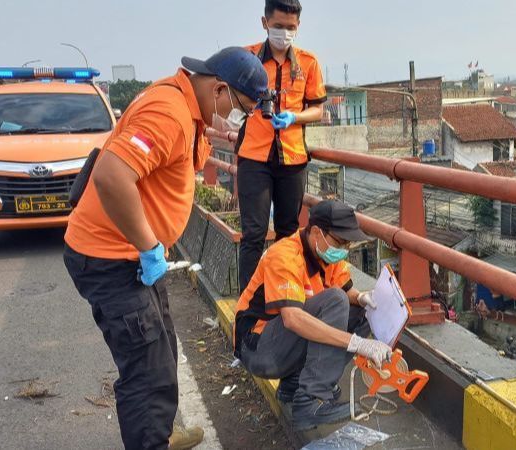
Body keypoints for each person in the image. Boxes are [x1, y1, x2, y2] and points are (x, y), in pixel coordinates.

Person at [64, 47, 268, 450]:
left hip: (132, 255)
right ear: (220, 89)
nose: (239, 117)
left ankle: (161, 432)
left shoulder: (186, 105)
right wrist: (148, 246)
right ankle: (151, 441)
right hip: (112, 257)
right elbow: (110, 177)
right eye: (241, 108)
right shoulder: (169, 113)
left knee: (163, 348)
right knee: (146, 370)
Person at [233, 200, 392, 431]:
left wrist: (362, 298)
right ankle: (311, 401)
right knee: (335, 300)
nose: (345, 249)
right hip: (258, 348)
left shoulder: (326, 253)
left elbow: (346, 290)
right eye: (341, 242)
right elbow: (293, 319)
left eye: (348, 244)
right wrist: (356, 344)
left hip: (282, 345)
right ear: (317, 232)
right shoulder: (285, 255)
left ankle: (295, 385)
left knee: (362, 312)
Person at [236, 0, 327, 291]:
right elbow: (229, 99)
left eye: (290, 28)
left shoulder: (308, 63)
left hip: (293, 160)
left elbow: (318, 109)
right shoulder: (247, 58)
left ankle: (284, 294)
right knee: (253, 234)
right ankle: (248, 306)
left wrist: (294, 117)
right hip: (254, 158)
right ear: (265, 23)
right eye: (278, 26)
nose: (284, 33)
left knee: (288, 233)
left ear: (298, 27)